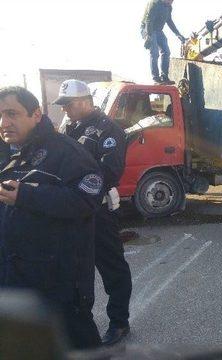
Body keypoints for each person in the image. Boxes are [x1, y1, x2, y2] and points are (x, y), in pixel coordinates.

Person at [0, 86, 102, 349]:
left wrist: (27, 196)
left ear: (36, 114)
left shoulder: (67, 153)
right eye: (0, 115)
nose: (4, 123)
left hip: (59, 282)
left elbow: (85, 201)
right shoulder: (7, 151)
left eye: (12, 113)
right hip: (15, 276)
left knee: (78, 345)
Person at [55, 80, 132, 346]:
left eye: (68, 104)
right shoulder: (68, 127)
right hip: (69, 212)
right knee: (74, 268)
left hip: (97, 213)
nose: (64, 110)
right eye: (62, 105)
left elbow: (110, 172)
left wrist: (73, 186)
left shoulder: (108, 129)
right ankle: (77, 321)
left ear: (86, 101)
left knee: (112, 269)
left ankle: (120, 322)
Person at [141, 0, 186, 84]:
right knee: (154, 53)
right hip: (148, 29)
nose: (172, 2)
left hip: (158, 30)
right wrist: (148, 36)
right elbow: (148, 20)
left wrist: (178, 34)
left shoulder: (168, 7)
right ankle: (155, 78)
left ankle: (164, 76)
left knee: (166, 51)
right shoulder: (154, 3)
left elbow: (169, 21)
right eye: (170, 0)